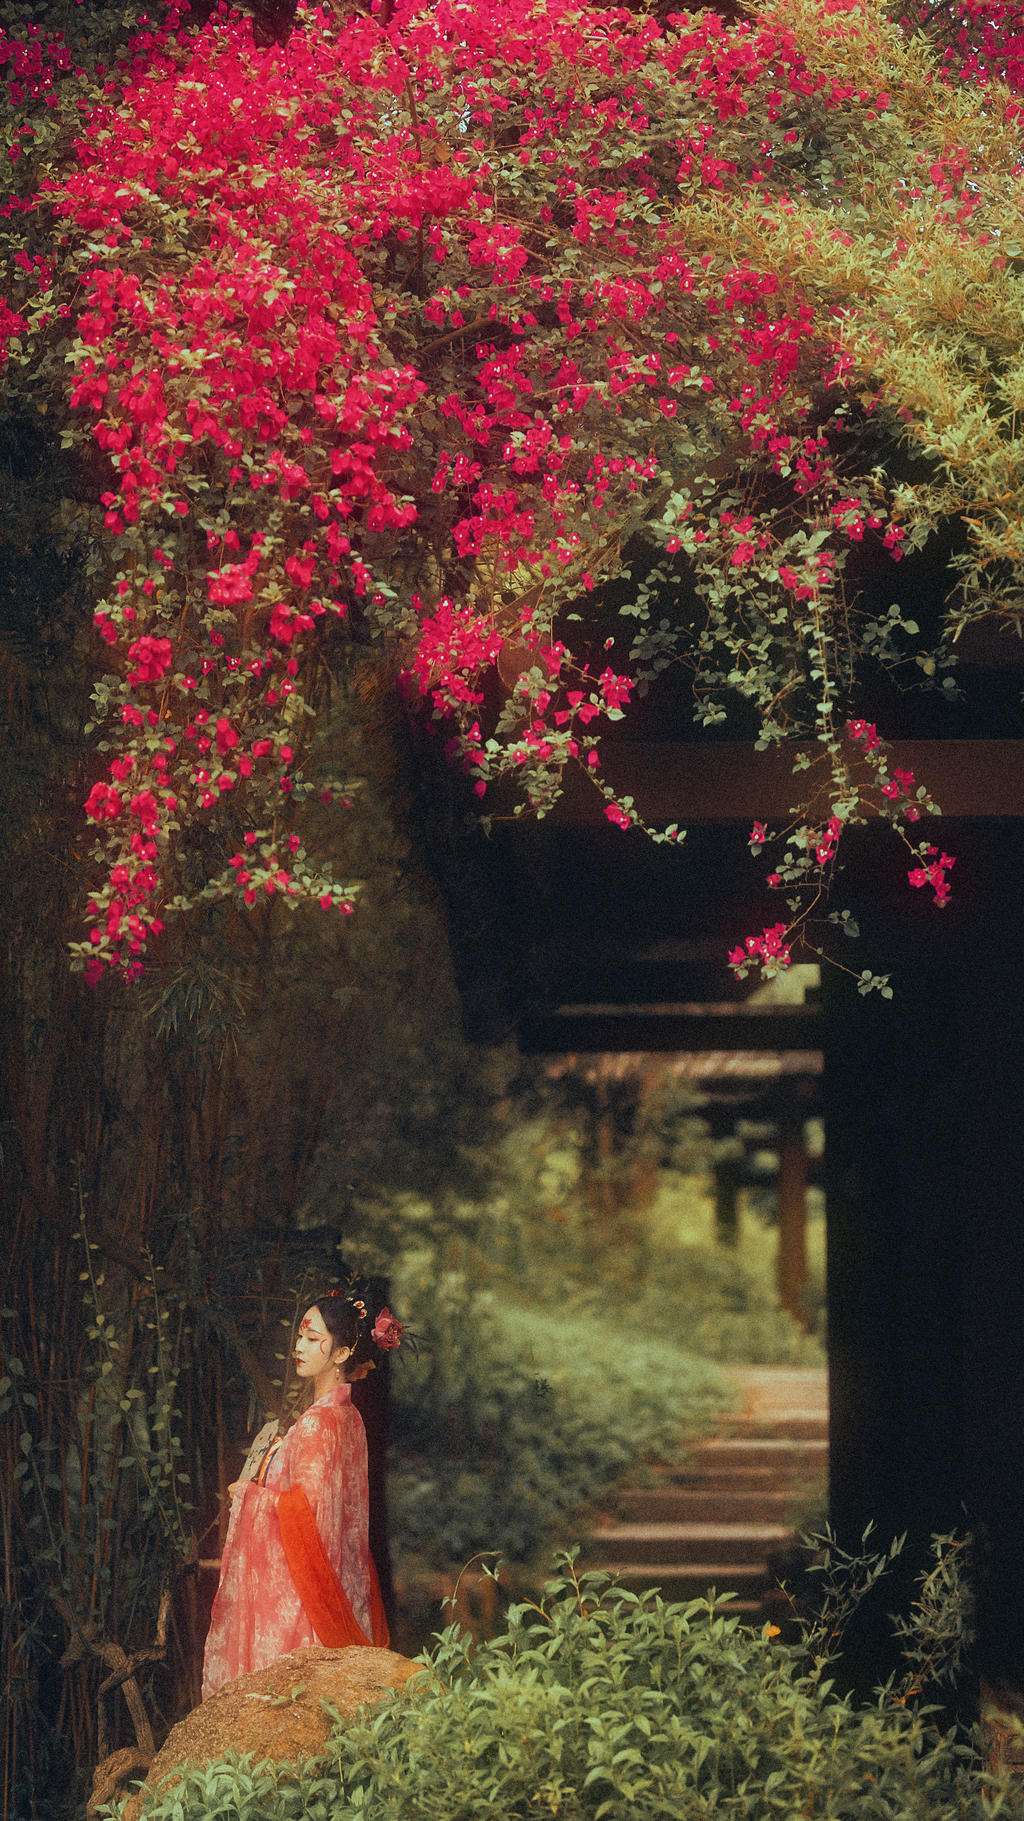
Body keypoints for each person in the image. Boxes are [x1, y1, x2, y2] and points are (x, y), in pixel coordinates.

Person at [202, 1292, 401, 1698]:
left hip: (305, 1595)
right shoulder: (350, 1417)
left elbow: (303, 1520)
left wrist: (249, 1496)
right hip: (341, 1583)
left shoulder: (317, 1424)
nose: (299, 1346)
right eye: (300, 1337)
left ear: (342, 1352)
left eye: (313, 1339)